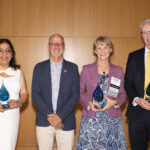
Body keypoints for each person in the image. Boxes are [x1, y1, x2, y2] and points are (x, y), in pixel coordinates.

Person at [77, 36, 127, 150]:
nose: (102, 51)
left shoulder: (118, 70)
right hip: (91, 120)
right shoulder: (86, 69)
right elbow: (78, 93)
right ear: (95, 51)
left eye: (105, 47)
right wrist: (89, 103)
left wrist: (115, 102)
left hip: (112, 120)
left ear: (110, 50)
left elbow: (123, 94)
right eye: (99, 48)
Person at [32, 33, 80, 150]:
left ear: (64, 47)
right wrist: (51, 117)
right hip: (44, 120)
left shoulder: (73, 68)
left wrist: (60, 116)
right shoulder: (39, 67)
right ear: (48, 46)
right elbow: (35, 95)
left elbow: (75, 95)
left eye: (60, 43)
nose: (57, 46)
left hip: (66, 121)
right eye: (53, 43)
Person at [125, 19, 150, 150]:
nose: (148, 36)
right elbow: (128, 82)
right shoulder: (133, 56)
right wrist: (137, 99)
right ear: (141, 35)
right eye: (145, 32)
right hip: (137, 114)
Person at [0, 39, 28, 150]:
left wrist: (19, 102)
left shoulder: (18, 72)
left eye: (7, 50)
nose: (4, 54)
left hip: (11, 117)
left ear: (12, 54)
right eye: (0, 50)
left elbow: (24, 93)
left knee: (8, 146)